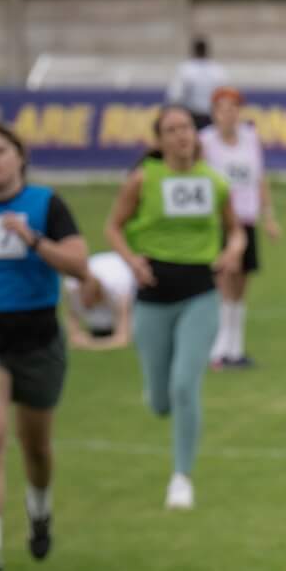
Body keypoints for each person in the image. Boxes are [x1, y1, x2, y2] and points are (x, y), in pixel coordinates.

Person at [102, 103, 247, 511]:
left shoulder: (214, 182)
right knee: (160, 401)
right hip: (152, 295)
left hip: (200, 293)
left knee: (186, 385)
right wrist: (131, 261)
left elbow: (235, 229)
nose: (182, 135)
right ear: (159, 140)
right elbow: (113, 226)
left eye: (187, 128)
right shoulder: (142, 180)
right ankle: (158, 394)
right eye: (172, 129)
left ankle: (181, 478)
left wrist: (233, 250)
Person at [0, 123, 88, 571]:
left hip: (38, 338)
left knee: (37, 448)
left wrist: (34, 241)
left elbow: (80, 266)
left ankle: (39, 508)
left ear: (20, 157)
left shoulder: (45, 204)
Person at [200, 88, 281, 369]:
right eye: (224, 108)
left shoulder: (250, 138)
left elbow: (259, 178)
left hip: (246, 219)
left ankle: (236, 348)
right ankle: (218, 350)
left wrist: (269, 215)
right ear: (214, 112)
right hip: (219, 221)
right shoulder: (206, 142)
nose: (230, 113)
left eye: (234, 107)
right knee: (224, 282)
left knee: (241, 285)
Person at [62, 250, 138, 351]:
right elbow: (72, 323)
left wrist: (89, 343)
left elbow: (123, 339)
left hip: (128, 273)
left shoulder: (121, 286)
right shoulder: (72, 284)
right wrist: (76, 335)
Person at [165, 37, 228, 127]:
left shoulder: (185, 69)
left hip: (192, 114)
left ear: (193, 51)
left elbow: (175, 96)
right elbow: (224, 94)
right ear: (207, 51)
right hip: (211, 115)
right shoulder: (217, 70)